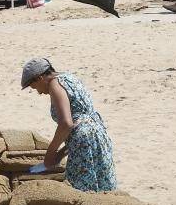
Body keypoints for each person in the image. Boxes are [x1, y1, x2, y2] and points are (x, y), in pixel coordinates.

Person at [21, 57, 116, 193]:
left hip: (84, 142)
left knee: (81, 193)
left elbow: (66, 124)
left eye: (35, 87)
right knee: (103, 189)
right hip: (96, 135)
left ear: (40, 78)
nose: (39, 92)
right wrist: (61, 153)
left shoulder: (55, 84)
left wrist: (51, 152)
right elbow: (79, 124)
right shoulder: (68, 77)